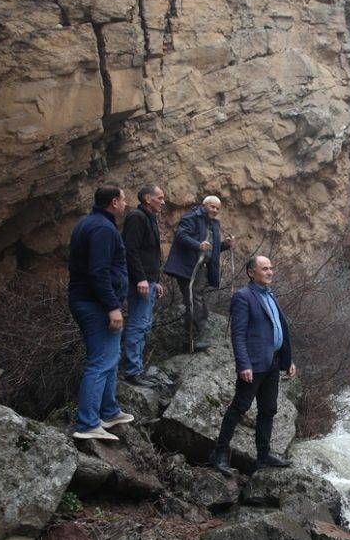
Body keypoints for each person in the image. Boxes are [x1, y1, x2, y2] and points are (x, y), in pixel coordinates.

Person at [207, 255, 297, 476]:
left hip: (273, 363)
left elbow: (279, 330)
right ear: (251, 272)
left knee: (268, 410)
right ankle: (218, 455)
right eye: (264, 268)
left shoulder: (270, 295)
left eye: (271, 268)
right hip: (254, 365)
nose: (270, 272)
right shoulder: (243, 296)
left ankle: (263, 456)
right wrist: (243, 364)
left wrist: (288, 360)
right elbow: (238, 334)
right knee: (239, 407)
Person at [67, 185, 136, 441]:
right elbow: (98, 271)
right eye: (124, 199)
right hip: (95, 304)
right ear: (114, 202)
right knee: (100, 361)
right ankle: (87, 424)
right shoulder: (102, 229)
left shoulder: (90, 223)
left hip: (89, 300)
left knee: (110, 356)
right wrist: (112, 307)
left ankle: (108, 411)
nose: (126, 204)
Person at [162, 195, 235, 352]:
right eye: (212, 206)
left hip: (200, 267)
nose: (215, 210)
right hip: (187, 266)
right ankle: (194, 339)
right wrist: (197, 245)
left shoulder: (213, 224)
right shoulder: (192, 217)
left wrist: (225, 245)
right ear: (204, 205)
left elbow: (211, 248)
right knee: (194, 300)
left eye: (217, 208)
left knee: (196, 299)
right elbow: (181, 236)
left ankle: (195, 338)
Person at [121, 184, 166, 387]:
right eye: (160, 198)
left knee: (144, 325)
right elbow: (130, 250)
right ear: (148, 198)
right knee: (138, 325)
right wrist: (141, 278)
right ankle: (132, 372)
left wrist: (154, 281)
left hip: (148, 280)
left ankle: (136, 369)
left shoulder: (150, 218)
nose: (163, 202)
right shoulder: (137, 218)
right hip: (139, 281)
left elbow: (149, 253)